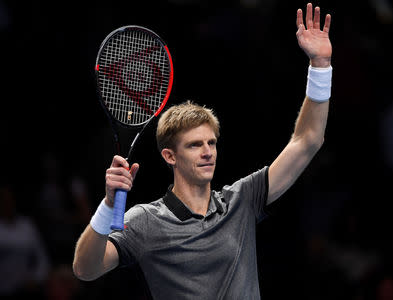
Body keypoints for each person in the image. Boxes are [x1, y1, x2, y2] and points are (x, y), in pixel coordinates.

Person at [73, 3, 333, 299]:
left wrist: (320, 67)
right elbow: (85, 269)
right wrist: (108, 205)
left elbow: (308, 140)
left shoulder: (241, 201)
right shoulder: (145, 220)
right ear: (170, 156)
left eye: (211, 143)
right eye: (195, 145)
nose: (208, 151)